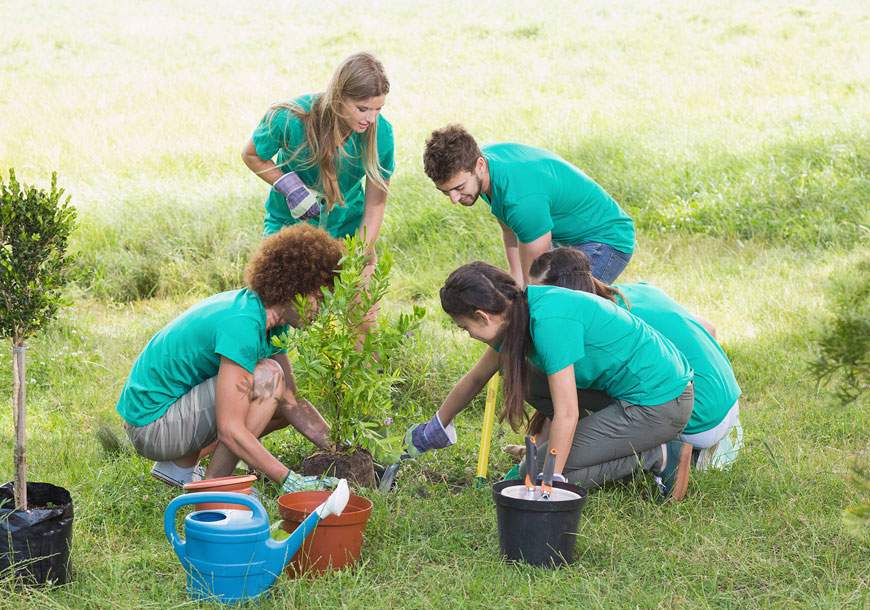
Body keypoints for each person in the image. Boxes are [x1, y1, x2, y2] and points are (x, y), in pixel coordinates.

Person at [406, 262, 696, 501]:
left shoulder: (549, 323)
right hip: (626, 392)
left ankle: (653, 454)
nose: (468, 334)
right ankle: (601, 442)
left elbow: (567, 412)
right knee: (517, 373)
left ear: (482, 316)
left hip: (660, 402)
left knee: (530, 476)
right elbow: (476, 378)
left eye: (464, 327)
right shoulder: (517, 311)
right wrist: (435, 427)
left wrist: (550, 481)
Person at [116, 224, 342, 493]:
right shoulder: (243, 324)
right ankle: (213, 488)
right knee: (268, 377)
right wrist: (290, 480)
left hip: (170, 414)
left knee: (279, 399)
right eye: (318, 297)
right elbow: (230, 428)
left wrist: (342, 450)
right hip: (153, 426)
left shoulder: (268, 318)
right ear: (296, 286)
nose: (322, 309)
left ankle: (180, 466)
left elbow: (292, 403)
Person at [529, 247, 743, 469]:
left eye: (541, 295)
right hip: (728, 404)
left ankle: (657, 453)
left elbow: (564, 395)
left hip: (693, 418)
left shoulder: (596, 329)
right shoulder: (635, 292)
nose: (534, 305)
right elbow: (709, 328)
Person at [422, 124, 635, 286]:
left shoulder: (521, 199)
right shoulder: (485, 170)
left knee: (560, 309)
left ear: (479, 165)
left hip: (606, 240)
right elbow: (509, 228)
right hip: (567, 239)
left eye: (459, 188)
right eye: (445, 191)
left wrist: (526, 294)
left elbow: (537, 283)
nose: (454, 199)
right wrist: (516, 279)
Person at [242, 52, 394, 265]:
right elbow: (251, 155)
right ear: (339, 97)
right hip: (290, 227)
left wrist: (357, 254)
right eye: (362, 109)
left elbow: (375, 205)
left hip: (347, 228)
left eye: (378, 109)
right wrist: (288, 186)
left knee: (360, 294)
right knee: (283, 293)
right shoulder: (290, 118)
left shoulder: (381, 133)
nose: (371, 118)